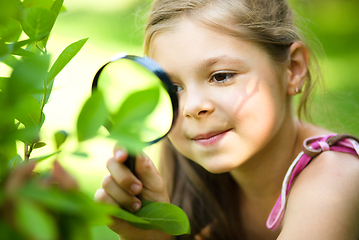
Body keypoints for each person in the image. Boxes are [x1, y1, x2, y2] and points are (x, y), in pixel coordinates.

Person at [94, 0, 359, 239]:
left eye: (221, 76)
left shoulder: (337, 180)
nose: (192, 107)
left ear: (293, 69)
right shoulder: (196, 180)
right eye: (174, 88)